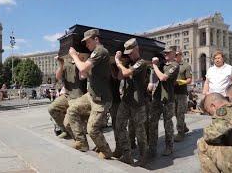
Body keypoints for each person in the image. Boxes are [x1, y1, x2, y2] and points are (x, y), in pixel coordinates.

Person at [65, 29, 113, 159]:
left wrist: (74, 55)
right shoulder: (93, 55)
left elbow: (83, 69)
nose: (86, 45)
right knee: (72, 110)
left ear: (96, 39)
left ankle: (106, 151)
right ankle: (81, 142)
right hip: (91, 95)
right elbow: (83, 74)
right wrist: (80, 62)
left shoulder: (100, 51)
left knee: (92, 129)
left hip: (101, 99)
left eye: (88, 42)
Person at [114, 38, 148, 166]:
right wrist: (121, 63)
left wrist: (117, 61)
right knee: (119, 126)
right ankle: (127, 154)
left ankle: (143, 156)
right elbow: (119, 76)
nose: (129, 54)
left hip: (138, 102)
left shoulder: (141, 63)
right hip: (126, 100)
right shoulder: (128, 63)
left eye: (131, 52)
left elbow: (127, 72)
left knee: (140, 131)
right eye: (128, 53)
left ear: (137, 49)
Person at [149, 46, 179, 156]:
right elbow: (154, 76)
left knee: (168, 124)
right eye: (164, 53)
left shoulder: (174, 65)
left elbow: (163, 78)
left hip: (167, 98)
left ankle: (169, 147)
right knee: (152, 123)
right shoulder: (162, 65)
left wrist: (155, 66)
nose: (165, 54)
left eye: (168, 53)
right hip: (157, 97)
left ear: (173, 53)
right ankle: (152, 148)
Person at [48, 55, 87, 139]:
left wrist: (77, 58)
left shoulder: (82, 61)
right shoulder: (66, 63)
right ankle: (65, 130)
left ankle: (80, 137)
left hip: (79, 96)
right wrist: (61, 64)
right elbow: (58, 77)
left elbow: (83, 76)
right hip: (67, 95)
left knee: (70, 117)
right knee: (52, 108)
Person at [173, 50, 192, 142]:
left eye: (177, 55)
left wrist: (179, 82)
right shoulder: (171, 65)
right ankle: (184, 127)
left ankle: (180, 133)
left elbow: (189, 80)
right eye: (174, 55)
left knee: (180, 112)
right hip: (172, 92)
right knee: (175, 113)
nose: (175, 56)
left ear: (181, 55)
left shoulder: (186, 66)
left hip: (181, 93)